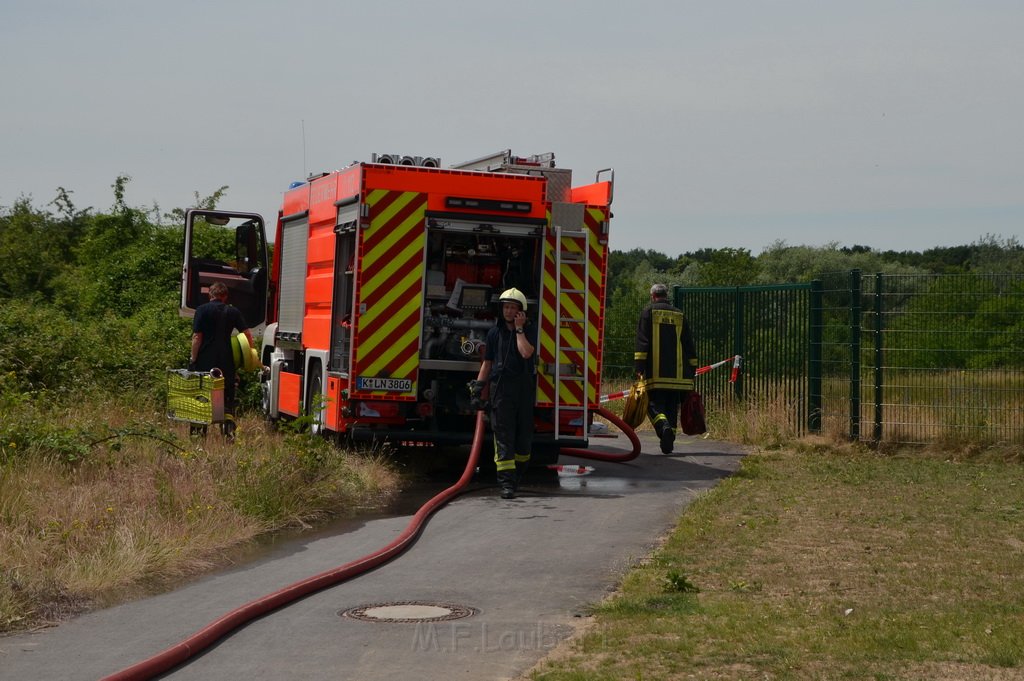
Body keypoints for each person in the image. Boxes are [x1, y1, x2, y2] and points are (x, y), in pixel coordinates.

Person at [471, 287, 537, 499]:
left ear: (521, 312)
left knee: (524, 441)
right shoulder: (493, 334)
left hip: (524, 390)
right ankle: (506, 483)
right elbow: (487, 364)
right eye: (506, 307)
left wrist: (519, 329)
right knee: (503, 438)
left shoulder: (528, 331)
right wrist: (479, 389)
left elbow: (526, 353)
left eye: (513, 308)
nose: (508, 311)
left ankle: (517, 475)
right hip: (501, 391)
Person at [634, 283, 698, 454]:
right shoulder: (679, 314)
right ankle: (669, 440)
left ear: (653, 296)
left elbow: (643, 342)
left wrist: (639, 367)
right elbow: (688, 344)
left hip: (655, 374)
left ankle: (664, 428)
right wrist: (692, 368)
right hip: (678, 375)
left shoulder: (648, 313)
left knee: (652, 405)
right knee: (671, 407)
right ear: (665, 295)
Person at [189, 282, 255, 438]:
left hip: (205, 362)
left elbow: (197, 337)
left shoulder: (201, 310)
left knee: (201, 397)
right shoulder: (233, 312)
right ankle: (228, 435)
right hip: (226, 362)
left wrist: (193, 359)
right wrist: (248, 355)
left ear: (210, 295)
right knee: (227, 399)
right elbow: (247, 334)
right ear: (225, 296)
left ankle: (198, 436)